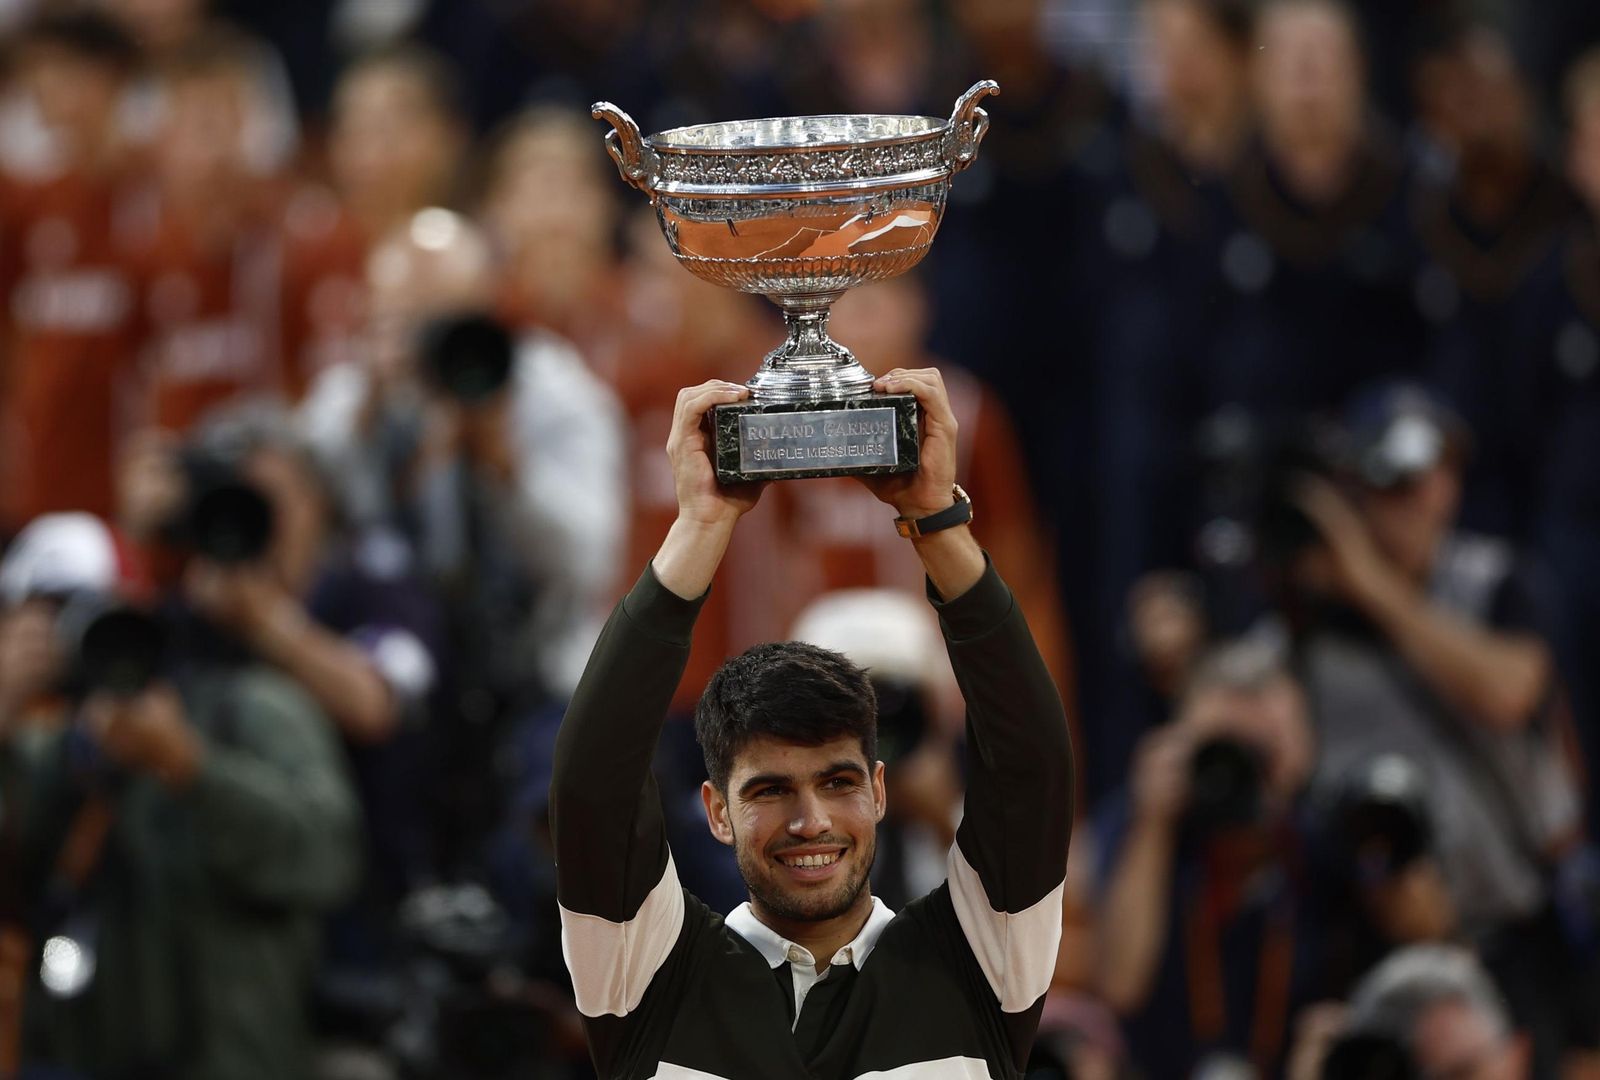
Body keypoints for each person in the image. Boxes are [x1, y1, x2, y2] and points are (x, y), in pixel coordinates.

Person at [550, 370, 1072, 1078]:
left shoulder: (980, 961)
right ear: (716, 809)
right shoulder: (649, 976)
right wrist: (699, 529)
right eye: (769, 790)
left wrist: (937, 522)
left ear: (880, 790)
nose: (811, 821)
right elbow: (593, 783)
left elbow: (1031, 767)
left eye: (839, 781)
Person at [0, 512, 360, 1079]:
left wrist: (192, 769)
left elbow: (326, 859)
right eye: (54, 616)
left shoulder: (256, 709)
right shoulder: (56, 746)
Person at [0, 10, 144, 532]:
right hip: (37, 477)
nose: (39, 87)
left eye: (55, 70)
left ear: (105, 78)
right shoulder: (27, 200)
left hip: (126, 483)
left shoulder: (156, 192)